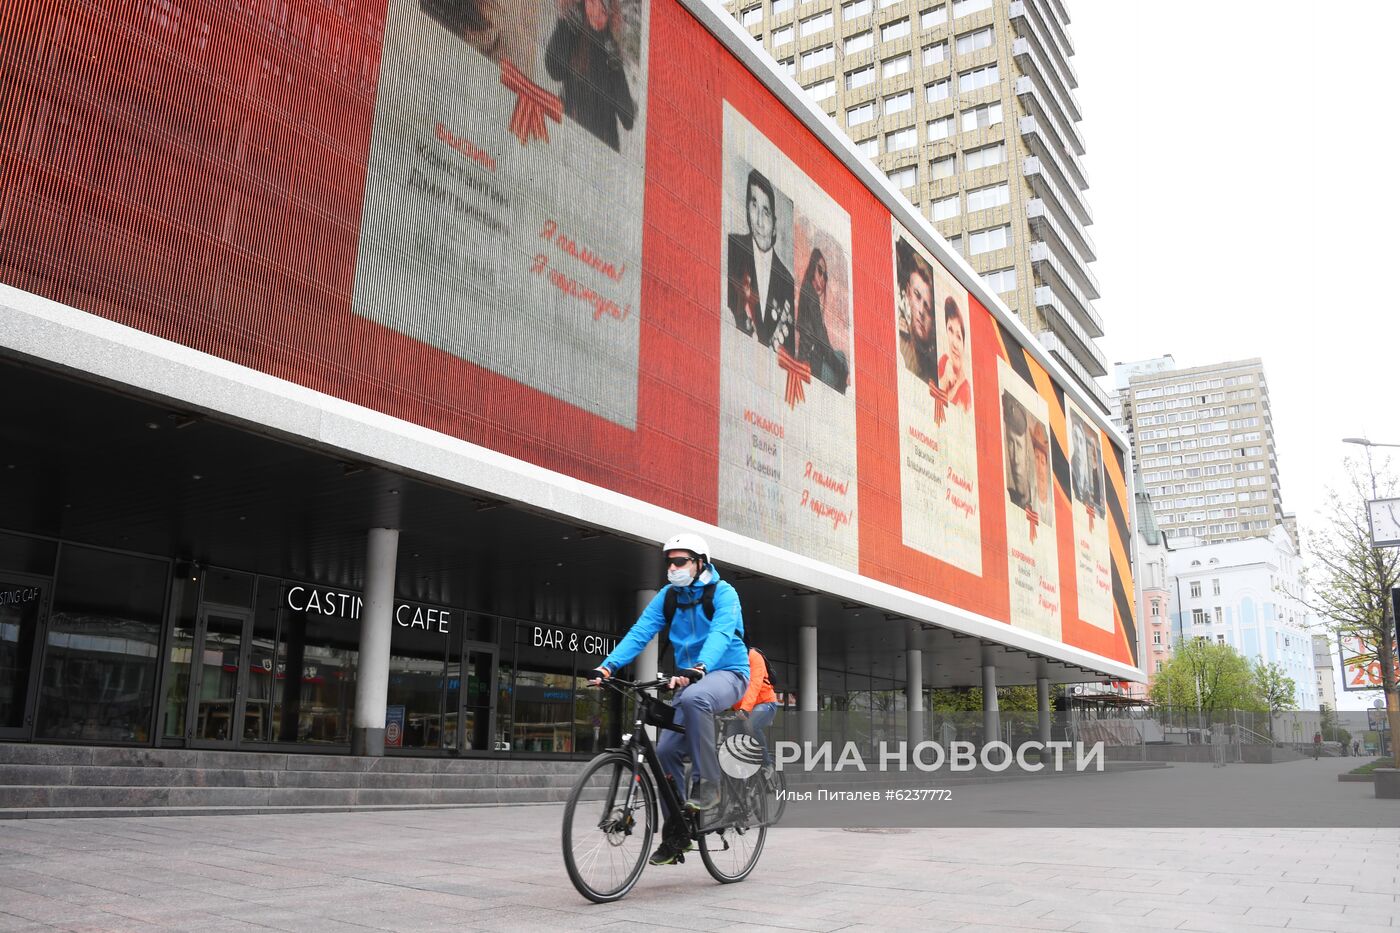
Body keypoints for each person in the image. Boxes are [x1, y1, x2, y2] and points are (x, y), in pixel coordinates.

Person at [589, 533, 749, 866]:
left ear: (700, 563)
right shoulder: (668, 597)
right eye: (669, 562)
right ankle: (678, 833)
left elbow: (721, 633)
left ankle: (710, 786)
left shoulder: (723, 593)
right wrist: (608, 666)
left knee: (694, 701)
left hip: (728, 674)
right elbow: (640, 632)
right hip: (690, 682)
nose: (672, 568)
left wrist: (700, 667)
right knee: (663, 753)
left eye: (680, 561)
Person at [544, 0, 636, 152]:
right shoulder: (574, 29)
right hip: (569, 139)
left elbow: (628, 119)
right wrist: (565, 26)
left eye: (604, 11)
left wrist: (616, 69)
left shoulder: (609, 46)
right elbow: (554, 70)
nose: (597, 14)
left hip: (602, 149)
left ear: (610, 15)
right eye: (593, 3)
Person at [727, 170, 794, 348]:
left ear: (774, 224)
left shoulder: (787, 281)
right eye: (754, 205)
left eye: (765, 212)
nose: (758, 221)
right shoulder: (732, 248)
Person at [794, 248, 849, 393]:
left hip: (813, 362)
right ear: (812, 268)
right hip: (812, 365)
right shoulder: (809, 292)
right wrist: (838, 366)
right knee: (842, 361)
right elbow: (820, 338)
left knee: (841, 359)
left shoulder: (809, 293)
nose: (823, 278)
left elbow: (823, 340)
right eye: (820, 271)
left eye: (825, 275)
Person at [733, 646, 779, 770]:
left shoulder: (753, 656)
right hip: (742, 709)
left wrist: (745, 709)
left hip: (765, 703)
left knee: (750, 724)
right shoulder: (728, 660)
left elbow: (755, 684)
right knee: (729, 739)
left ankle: (766, 763)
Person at [896, 247, 937, 383]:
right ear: (908, 292)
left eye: (927, 306)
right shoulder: (900, 341)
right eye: (917, 295)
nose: (921, 311)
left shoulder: (934, 369)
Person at [936, 298, 971, 413]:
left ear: (964, 344)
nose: (954, 343)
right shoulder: (943, 361)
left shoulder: (966, 391)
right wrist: (943, 382)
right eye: (950, 330)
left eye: (959, 337)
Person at [1002, 394, 1032, 510]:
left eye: (1019, 446)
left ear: (1027, 454)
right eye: (1010, 443)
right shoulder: (1008, 496)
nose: (1015, 459)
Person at [1029, 420, 1053, 525]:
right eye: (1037, 458)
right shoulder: (1030, 496)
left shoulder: (1052, 505)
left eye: (1042, 461)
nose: (1039, 466)